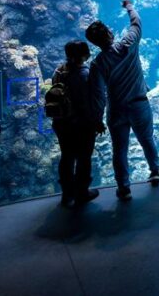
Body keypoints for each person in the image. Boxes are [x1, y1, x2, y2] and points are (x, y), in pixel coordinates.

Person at [86, 0, 159, 200]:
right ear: (110, 34)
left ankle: (124, 188)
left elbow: (98, 94)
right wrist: (129, 6)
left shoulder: (97, 64)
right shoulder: (129, 44)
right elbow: (136, 23)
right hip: (139, 104)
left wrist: (97, 119)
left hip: (116, 109)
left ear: (94, 43)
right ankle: (154, 171)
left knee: (119, 149)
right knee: (147, 139)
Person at [51, 40, 104, 207]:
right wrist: (97, 121)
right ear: (85, 54)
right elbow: (89, 102)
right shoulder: (85, 74)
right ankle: (82, 192)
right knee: (84, 158)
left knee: (67, 157)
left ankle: (67, 194)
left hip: (61, 123)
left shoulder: (58, 71)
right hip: (81, 124)